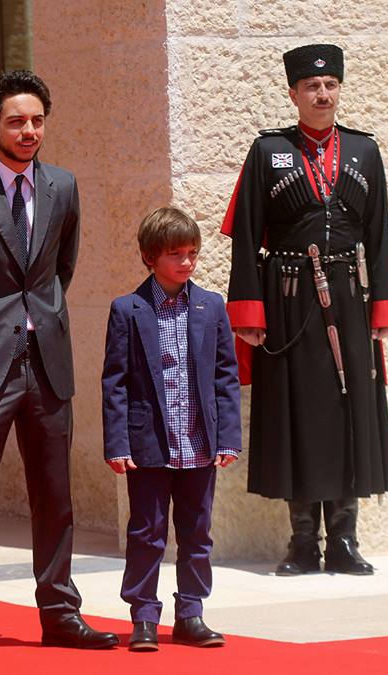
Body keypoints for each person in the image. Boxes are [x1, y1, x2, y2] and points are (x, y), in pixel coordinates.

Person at [0, 69, 118, 658]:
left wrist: (40, 318)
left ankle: (60, 612)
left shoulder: (63, 185)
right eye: (16, 121)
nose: (29, 131)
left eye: (37, 120)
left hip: (48, 362)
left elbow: (61, 269)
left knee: (55, 495)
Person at [222, 44, 388, 576]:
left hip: (350, 297)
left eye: (330, 86)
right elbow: (245, 237)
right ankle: (303, 543)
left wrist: (383, 308)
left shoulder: (364, 151)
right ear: (294, 93)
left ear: (338, 89)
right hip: (287, 297)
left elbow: (379, 236)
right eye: (311, 87)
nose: (322, 95)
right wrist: (249, 313)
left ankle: (344, 540)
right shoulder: (268, 151)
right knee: (295, 412)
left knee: (351, 410)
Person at [102, 207, 242, 651]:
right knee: (147, 531)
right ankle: (144, 616)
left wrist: (228, 437)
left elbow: (226, 376)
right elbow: (115, 382)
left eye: (192, 253)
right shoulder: (128, 309)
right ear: (150, 256)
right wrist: (117, 443)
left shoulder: (210, 306)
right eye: (176, 254)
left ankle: (191, 613)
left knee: (197, 532)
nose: (186, 262)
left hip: (199, 444)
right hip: (149, 445)